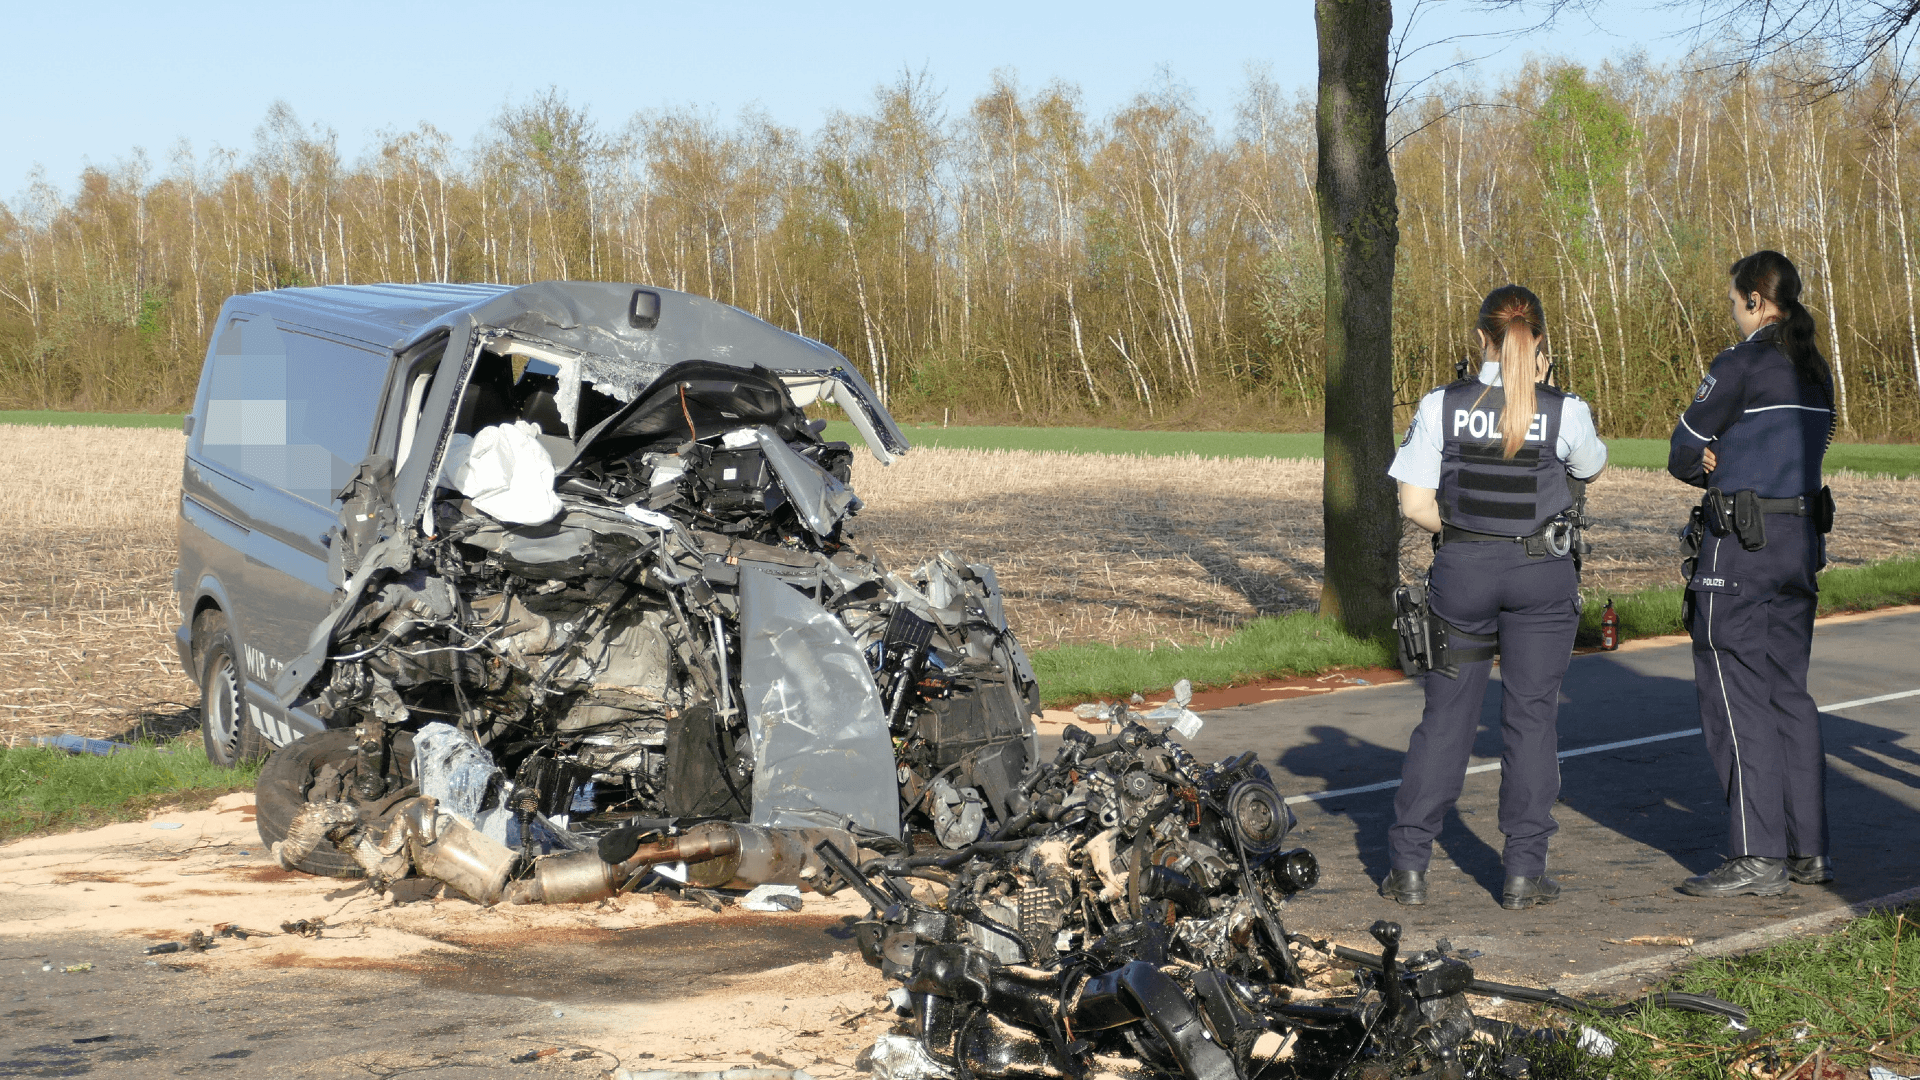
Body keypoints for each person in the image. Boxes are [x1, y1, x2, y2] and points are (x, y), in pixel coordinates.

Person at [1383, 285, 1608, 910]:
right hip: (1543, 575)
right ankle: (1522, 874)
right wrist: (1542, 386)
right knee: (1531, 719)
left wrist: (1468, 537)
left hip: (1462, 571)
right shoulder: (1567, 410)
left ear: (1480, 336)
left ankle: (1408, 868)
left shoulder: (1440, 406)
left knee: (1445, 718)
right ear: (1538, 341)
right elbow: (1589, 469)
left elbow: (1414, 505)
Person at [1666, 250, 1836, 898]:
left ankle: (1755, 853)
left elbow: (1685, 448)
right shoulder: (1814, 369)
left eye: (1736, 301)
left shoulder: (1740, 365)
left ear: (1756, 301)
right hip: (1799, 541)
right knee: (1788, 693)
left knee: (1734, 697)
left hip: (1741, 545)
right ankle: (1806, 851)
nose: (1733, 312)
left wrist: (1704, 459)